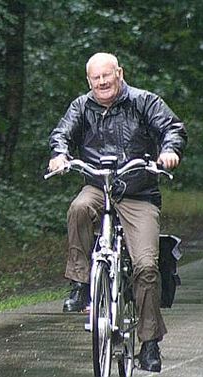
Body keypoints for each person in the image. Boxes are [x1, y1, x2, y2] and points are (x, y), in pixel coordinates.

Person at [48, 52, 187, 372]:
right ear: (88, 81)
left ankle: (149, 343)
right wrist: (59, 154)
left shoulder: (144, 101)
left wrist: (169, 150)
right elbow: (62, 133)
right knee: (79, 208)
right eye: (95, 78)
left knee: (146, 266)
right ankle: (81, 284)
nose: (102, 82)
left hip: (138, 192)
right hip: (98, 186)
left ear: (119, 73)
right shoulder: (81, 106)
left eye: (107, 76)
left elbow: (172, 128)